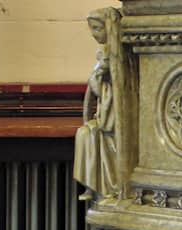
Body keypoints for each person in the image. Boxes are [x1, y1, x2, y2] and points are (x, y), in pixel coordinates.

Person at [74, 7, 121, 202]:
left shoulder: (116, 55)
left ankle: (110, 187)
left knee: (93, 134)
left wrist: (97, 79)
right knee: (84, 133)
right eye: (91, 29)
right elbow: (94, 88)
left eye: (97, 29)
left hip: (114, 116)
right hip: (105, 113)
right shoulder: (104, 53)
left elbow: (100, 85)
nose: (94, 34)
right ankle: (93, 186)